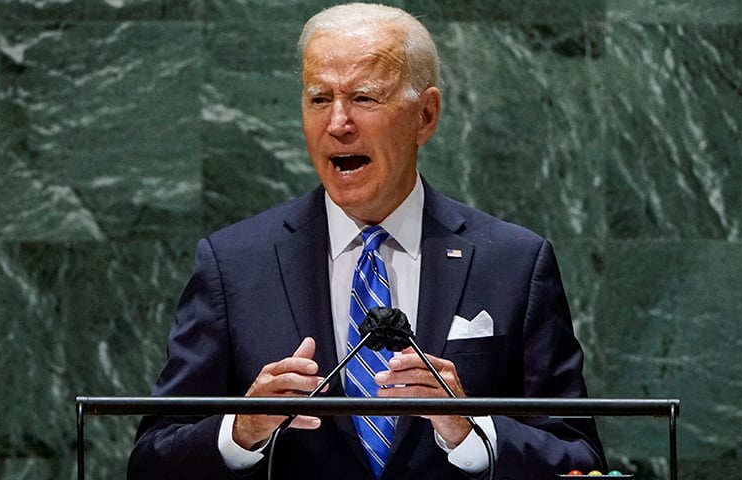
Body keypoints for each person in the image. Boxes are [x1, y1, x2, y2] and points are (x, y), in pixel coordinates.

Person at [127, 3, 606, 479]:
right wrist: (241, 429)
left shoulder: (513, 263)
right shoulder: (234, 265)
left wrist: (472, 430)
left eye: (364, 98)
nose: (337, 123)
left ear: (425, 115)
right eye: (318, 99)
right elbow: (151, 461)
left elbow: (580, 459)